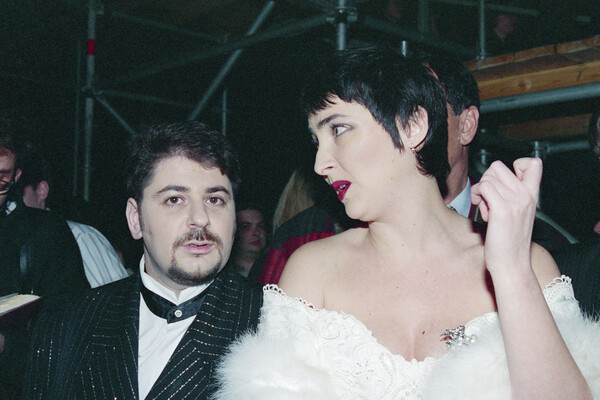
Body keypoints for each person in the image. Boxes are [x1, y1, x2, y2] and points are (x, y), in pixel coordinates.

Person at [213, 47, 599, 399]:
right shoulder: (311, 271)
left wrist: (511, 270)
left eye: (338, 129)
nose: (320, 164)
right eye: (316, 141)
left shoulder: (530, 265)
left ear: (413, 126)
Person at [23, 121, 263, 399]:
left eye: (215, 200)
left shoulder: (275, 321)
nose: (200, 218)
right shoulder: (65, 325)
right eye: (175, 200)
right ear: (136, 219)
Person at [421, 52, 574, 251]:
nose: (408, 130)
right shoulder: (381, 228)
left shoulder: (531, 241)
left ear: (466, 126)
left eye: (422, 112)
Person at [0, 119, 89, 400]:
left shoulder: (44, 236)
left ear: (16, 177)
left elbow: (72, 345)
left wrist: (5, 346)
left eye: (0, 180)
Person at [18, 141, 129, 288]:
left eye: (17, 194)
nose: (10, 204)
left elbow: (116, 298)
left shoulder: (79, 237)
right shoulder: (11, 244)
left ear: (41, 191)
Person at [229, 206, 267, 277]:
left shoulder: (277, 267)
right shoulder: (225, 273)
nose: (256, 233)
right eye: (246, 227)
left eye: (260, 226)